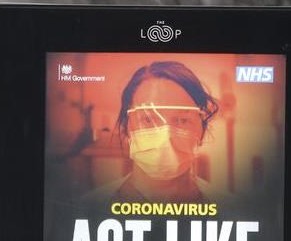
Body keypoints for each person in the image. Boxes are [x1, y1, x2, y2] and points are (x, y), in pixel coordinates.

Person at [90, 61, 220, 202]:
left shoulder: (229, 208)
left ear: (202, 130)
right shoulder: (90, 207)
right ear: (127, 128)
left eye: (182, 120)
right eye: (147, 120)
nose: (165, 138)